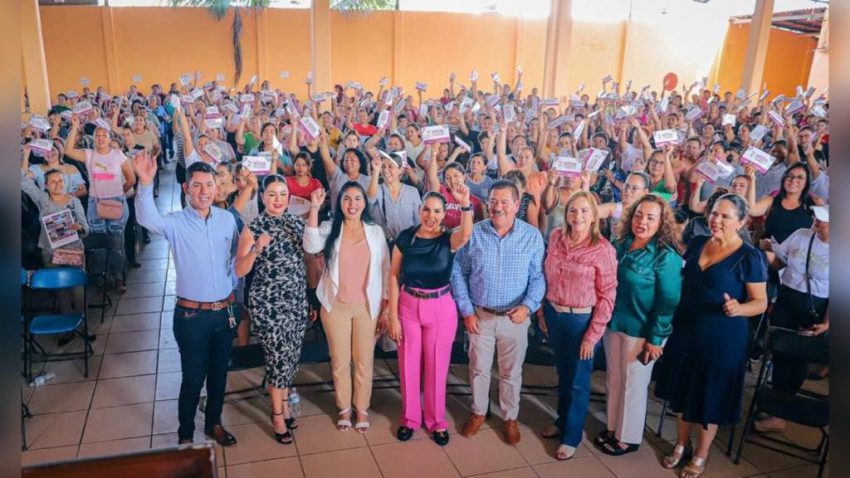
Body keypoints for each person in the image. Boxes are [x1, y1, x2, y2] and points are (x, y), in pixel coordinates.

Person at [654, 194, 768, 478]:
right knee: (682, 390)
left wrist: (739, 308)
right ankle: (682, 444)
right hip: (686, 329)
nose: (716, 220)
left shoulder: (749, 257)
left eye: (725, 216)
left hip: (722, 337)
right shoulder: (697, 243)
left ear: (742, 222)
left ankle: (701, 454)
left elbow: (760, 303)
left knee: (709, 396)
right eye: (715, 213)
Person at [133, 153, 241, 447]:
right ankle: (185, 434)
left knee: (219, 374)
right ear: (186, 188)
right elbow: (146, 219)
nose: (204, 191)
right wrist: (145, 184)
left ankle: (214, 423)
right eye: (197, 185)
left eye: (209, 185)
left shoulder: (227, 220)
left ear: (217, 188)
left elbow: (234, 260)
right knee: (193, 377)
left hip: (224, 312)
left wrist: (230, 290)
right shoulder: (175, 223)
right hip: (191, 317)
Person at [451, 180, 546, 445]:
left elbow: (538, 277)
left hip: (515, 318)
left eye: (504, 202)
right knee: (478, 369)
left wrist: (528, 306)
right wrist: (466, 311)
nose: (498, 207)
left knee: (511, 372)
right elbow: (458, 272)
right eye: (493, 201)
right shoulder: (474, 233)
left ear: (517, 205)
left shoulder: (532, 236)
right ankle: (479, 412)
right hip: (480, 316)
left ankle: (510, 417)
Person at [596, 194, 683, 456]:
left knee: (633, 385)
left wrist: (656, 338)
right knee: (615, 380)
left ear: (661, 222)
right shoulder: (621, 244)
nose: (642, 222)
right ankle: (613, 428)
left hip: (642, 331)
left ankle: (627, 438)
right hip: (614, 324)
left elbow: (668, 301)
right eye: (638, 215)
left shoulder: (665, 257)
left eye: (650, 218)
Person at [386, 186, 474, 446]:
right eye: (426, 209)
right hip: (408, 306)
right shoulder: (405, 238)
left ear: (444, 214)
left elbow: (466, 233)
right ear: (419, 210)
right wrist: (392, 316)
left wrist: (466, 205)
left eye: (437, 211)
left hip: (440, 307)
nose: (431, 216)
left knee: (437, 367)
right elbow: (393, 275)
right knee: (408, 365)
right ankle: (410, 418)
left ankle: (436, 421)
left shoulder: (448, 239)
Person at [303, 183, 390, 433]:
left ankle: (361, 408)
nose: (352, 204)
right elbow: (310, 246)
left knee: (364, 360)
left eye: (357, 199)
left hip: (367, 307)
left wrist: (385, 308)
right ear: (340, 203)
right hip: (335, 306)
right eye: (347, 199)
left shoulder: (375, 232)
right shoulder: (331, 228)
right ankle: (344, 407)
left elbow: (385, 270)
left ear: (364, 203)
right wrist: (314, 208)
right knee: (340, 360)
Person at [538, 191, 618, 460]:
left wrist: (592, 336)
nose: (578, 216)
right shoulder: (556, 237)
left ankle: (572, 436)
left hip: (581, 321)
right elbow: (545, 277)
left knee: (579, 382)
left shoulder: (603, 249)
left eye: (585, 211)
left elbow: (607, 296)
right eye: (573, 210)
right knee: (563, 374)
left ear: (594, 215)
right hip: (555, 314)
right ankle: (562, 421)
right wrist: (542, 313)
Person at [235, 175, 309, 445]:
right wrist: (256, 249)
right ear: (263, 197)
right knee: (278, 359)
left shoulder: (296, 223)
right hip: (269, 306)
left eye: (283, 194)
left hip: (296, 300)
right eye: (272, 194)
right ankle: (277, 415)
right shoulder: (253, 227)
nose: (278, 200)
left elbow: (309, 257)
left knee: (291, 357)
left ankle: (286, 406)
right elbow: (239, 269)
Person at [754, 205, 829, 433]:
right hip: (787, 298)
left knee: (797, 358)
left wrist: (828, 323)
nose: (816, 221)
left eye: (823, 220)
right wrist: (768, 250)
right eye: (817, 217)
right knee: (779, 352)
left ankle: (781, 412)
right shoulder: (801, 235)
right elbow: (781, 262)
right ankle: (776, 406)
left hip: (813, 306)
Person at [65, 114, 136, 294]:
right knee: (99, 242)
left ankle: (118, 277)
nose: (100, 138)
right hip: (95, 204)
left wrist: (118, 192)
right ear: (93, 139)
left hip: (115, 202)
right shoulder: (89, 155)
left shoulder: (118, 155)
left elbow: (131, 179)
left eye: (104, 135)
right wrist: (75, 126)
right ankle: (103, 275)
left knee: (116, 242)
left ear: (110, 138)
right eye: (97, 135)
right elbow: (68, 151)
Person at [21, 145, 89, 318]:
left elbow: (86, 229)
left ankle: (82, 322)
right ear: (46, 185)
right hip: (51, 253)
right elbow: (23, 182)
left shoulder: (74, 202)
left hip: (73, 250)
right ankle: (67, 323)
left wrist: (79, 228)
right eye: (53, 182)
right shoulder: (42, 199)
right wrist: (26, 155)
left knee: (78, 290)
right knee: (60, 291)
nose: (57, 185)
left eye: (60, 181)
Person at [367, 152, 422, 245]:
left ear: (400, 170)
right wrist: (376, 171)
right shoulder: (376, 189)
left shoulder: (412, 192)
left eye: (390, 166)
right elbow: (370, 198)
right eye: (383, 167)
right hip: (381, 243)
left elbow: (418, 221)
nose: (385, 170)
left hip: (406, 244)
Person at [425, 147, 484, 228]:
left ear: (464, 177)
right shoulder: (441, 191)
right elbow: (432, 178)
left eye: (456, 176)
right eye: (448, 178)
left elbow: (479, 225)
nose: (452, 180)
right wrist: (433, 155)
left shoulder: (476, 201)